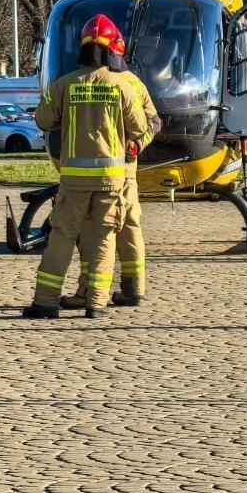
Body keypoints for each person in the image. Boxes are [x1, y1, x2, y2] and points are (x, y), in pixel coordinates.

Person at [23, 13, 150, 320]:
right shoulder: (123, 86)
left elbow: (42, 120)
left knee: (62, 237)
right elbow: (140, 127)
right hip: (111, 179)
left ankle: (45, 302)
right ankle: (96, 303)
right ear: (111, 49)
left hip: (74, 180)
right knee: (104, 238)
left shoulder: (64, 84)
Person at [63, 34, 159, 309]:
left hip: (103, 171)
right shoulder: (133, 82)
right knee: (129, 227)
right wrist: (137, 145)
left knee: (93, 231)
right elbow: (154, 122)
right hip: (125, 169)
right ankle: (133, 288)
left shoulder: (94, 80)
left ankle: (87, 292)